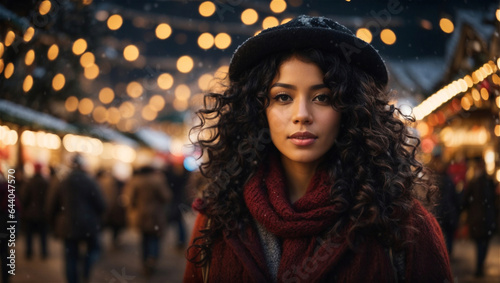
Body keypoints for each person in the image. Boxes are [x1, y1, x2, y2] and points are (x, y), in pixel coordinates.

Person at [184, 15, 452, 282]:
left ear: (351, 109)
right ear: (257, 109)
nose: (302, 114)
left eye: (323, 97)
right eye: (283, 97)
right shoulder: (216, 221)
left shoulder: (405, 227)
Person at [47, 154, 106, 283]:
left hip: (67, 225)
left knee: (70, 257)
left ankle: (73, 280)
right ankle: (86, 270)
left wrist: (52, 223)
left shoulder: (62, 181)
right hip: (87, 224)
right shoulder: (90, 181)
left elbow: (52, 205)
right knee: (93, 250)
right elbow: (101, 204)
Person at [124, 165, 172, 277]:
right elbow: (167, 197)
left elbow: (129, 199)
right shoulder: (158, 180)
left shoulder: (135, 181)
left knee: (144, 239)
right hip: (155, 215)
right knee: (154, 238)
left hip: (140, 215)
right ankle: (152, 259)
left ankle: (145, 261)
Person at [461, 157, 498, 277]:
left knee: (480, 244)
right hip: (487, 218)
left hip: (477, 218)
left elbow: (465, 200)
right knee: (484, 243)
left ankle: (479, 267)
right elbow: (494, 201)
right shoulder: (489, 181)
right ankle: (480, 266)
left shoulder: (475, 182)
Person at [20, 163, 49, 259]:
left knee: (29, 235)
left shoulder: (29, 182)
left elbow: (24, 198)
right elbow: (49, 198)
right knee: (43, 235)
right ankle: (44, 253)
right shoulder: (46, 182)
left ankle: (29, 252)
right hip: (42, 212)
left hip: (30, 213)